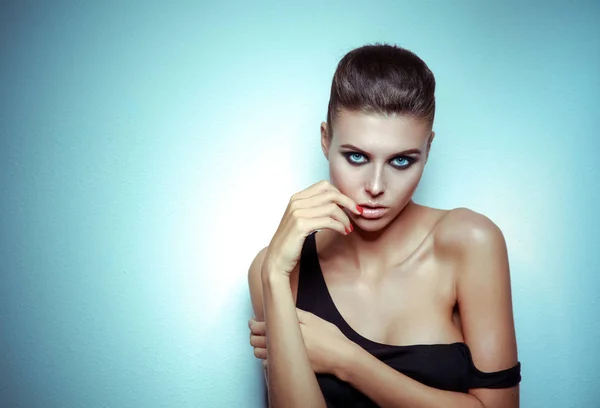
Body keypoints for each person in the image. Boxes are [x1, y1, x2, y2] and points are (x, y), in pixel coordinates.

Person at [247, 43, 521, 408]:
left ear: (428, 148)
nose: (375, 187)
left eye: (402, 161)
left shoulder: (470, 242)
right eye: (356, 156)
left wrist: (348, 361)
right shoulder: (280, 270)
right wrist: (273, 276)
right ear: (326, 140)